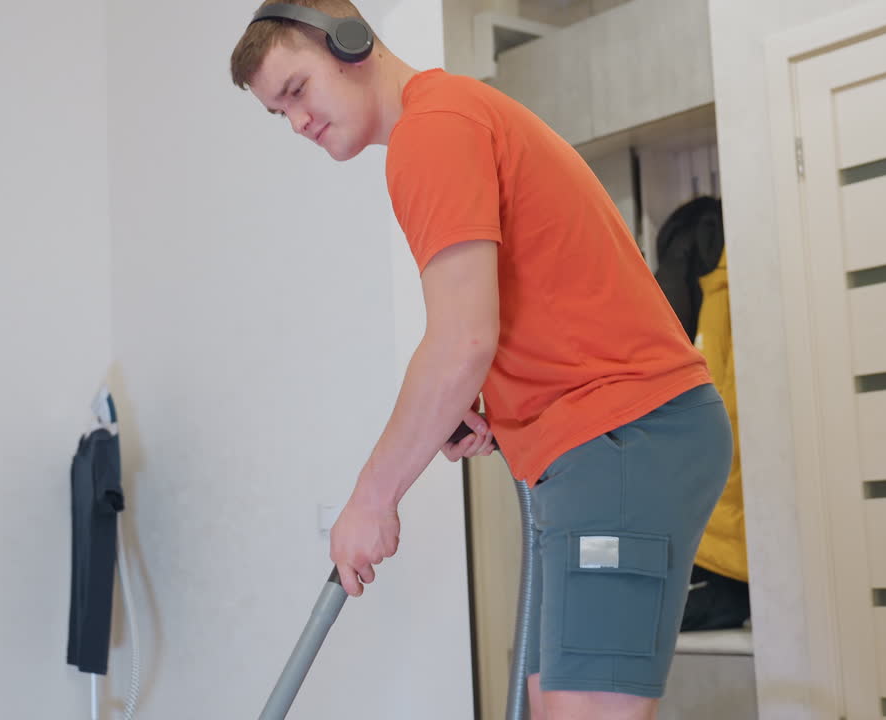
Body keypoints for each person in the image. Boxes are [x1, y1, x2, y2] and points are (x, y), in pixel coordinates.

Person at [229, 3, 733, 718]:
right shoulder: (449, 119)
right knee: (546, 702)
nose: (298, 123)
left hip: (623, 436)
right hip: (605, 438)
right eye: (279, 113)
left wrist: (371, 501)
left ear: (351, 45)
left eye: (297, 90)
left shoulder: (433, 131)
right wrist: (499, 407)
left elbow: (462, 340)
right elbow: (510, 319)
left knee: (578, 711)